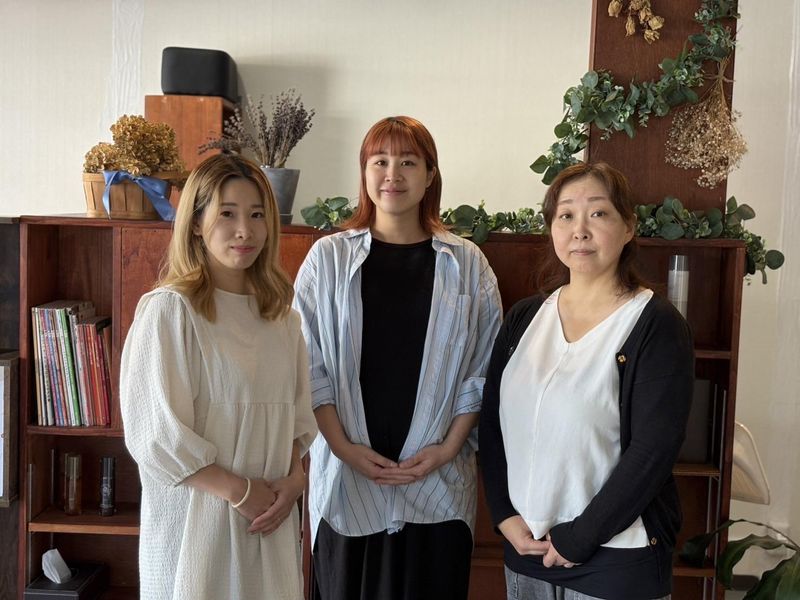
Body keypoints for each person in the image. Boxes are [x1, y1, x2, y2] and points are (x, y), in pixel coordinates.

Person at [293, 116, 502, 600]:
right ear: (364, 173)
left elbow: (484, 369)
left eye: (408, 162)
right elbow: (306, 363)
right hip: (346, 482)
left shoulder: (467, 263)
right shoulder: (328, 259)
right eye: (380, 161)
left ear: (430, 175)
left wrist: (448, 448)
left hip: (437, 485)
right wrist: (343, 448)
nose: (393, 174)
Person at [479, 162, 694, 600]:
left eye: (598, 213)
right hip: (527, 551)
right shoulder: (524, 318)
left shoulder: (655, 323)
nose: (580, 230)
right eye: (566, 215)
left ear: (628, 226)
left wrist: (579, 538)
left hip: (616, 560)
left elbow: (653, 452)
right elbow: (492, 424)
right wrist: (503, 515)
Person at [120, 154, 317, 600]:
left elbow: (295, 422)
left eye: (257, 215)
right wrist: (239, 492)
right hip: (197, 528)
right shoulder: (170, 311)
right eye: (227, 214)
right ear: (195, 222)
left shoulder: (283, 321)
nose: (245, 230)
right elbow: (155, 435)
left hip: (270, 524)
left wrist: (293, 481)